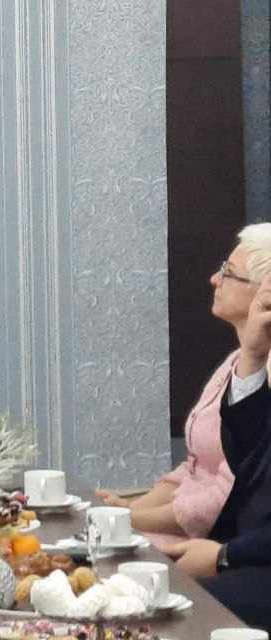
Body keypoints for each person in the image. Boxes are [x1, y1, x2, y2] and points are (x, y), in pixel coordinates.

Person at [96, 226, 271, 547]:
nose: (214, 279)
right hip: (179, 529)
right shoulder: (234, 362)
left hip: (210, 544)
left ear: (264, 294)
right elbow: (194, 468)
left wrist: (127, 518)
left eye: (228, 273)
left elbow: (223, 498)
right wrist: (126, 508)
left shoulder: (263, 378)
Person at [158, 262, 271, 627]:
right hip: (246, 551)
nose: (213, 279)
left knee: (169, 612)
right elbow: (246, 461)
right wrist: (253, 356)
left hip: (253, 563)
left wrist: (224, 556)